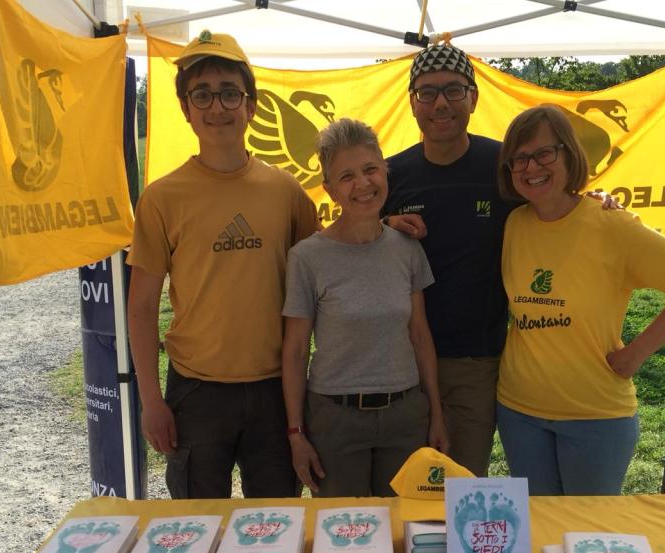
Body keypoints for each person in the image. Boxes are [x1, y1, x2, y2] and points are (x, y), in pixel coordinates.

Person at [384, 42, 619, 478]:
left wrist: (594, 203)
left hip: (476, 363)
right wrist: (384, 230)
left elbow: (553, 203)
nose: (440, 103)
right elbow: (358, 244)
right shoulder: (391, 174)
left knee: (459, 485)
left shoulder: (501, 165)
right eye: (427, 92)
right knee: (399, 488)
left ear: (473, 98)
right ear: (412, 103)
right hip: (400, 363)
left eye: (454, 90)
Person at [126, 31, 318, 499]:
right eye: (203, 94)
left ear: (250, 106)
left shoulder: (286, 192)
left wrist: (386, 224)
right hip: (197, 392)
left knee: (274, 527)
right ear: (186, 109)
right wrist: (151, 399)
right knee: (197, 527)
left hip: (276, 389)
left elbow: (330, 266)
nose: (218, 107)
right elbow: (141, 307)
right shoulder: (162, 198)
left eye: (230, 93)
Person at [495, 104, 665, 495]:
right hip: (519, 412)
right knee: (539, 532)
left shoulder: (610, 223)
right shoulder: (514, 224)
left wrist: (637, 353)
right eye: (520, 159)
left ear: (570, 153)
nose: (532, 167)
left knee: (587, 540)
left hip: (595, 416)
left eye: (545, 153)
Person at [282, 118, 448, 497]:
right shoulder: (307, 258)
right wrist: (295, 433)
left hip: (404, 416)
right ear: (329, 190)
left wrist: (436, 414)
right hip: (334, 420)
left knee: (403, 533)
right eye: (347, 177)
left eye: (371, 169)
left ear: (385, 171)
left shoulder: (407, 249)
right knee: (342, 535)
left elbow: (420, 336)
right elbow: (294, 352)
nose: (363, 184)